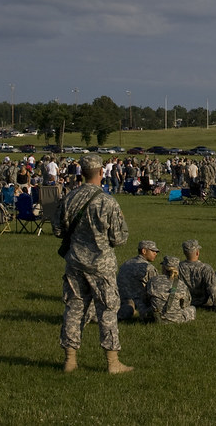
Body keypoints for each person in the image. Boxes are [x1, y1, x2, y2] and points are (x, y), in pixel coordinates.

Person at [54, 153, 132, 374]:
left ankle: (70, 360)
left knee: (74, 308)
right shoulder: (107, 201)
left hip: (75, 262)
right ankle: (112, 362)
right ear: (101, 173)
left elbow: (57, 229)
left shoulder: (69, 198)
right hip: (101, 264)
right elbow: (119, 239)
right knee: (107, 310)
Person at [178, 239, 216, 313]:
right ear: (197, 253)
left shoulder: (178, 268)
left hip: (186, 302)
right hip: (204, 302)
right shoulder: (205, 268)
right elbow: (213, 288)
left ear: (184, 252)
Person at [144, 256, 196, 323]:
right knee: (192, 309)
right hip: (176, 319)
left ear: (164, 268)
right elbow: (185, 305)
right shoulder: (181, 284)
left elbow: (146, 300)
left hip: (155, 318)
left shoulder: (153, 281)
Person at [118, 240, 160, 320]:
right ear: (144, 251)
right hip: (139, 302)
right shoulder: (148, 267)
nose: (155, 254)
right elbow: (156, 288)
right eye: (153, 251)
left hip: (121, 299)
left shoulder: (126, 263)